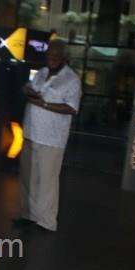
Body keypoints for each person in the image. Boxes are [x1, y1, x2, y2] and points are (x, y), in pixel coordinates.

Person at [18, 39, 82, 232]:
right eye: (49, 54)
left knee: (47, 181)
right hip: (31, 133)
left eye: (56, 55)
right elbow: (32, 89)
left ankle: (46, 222)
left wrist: (43, 104)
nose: (52, 58)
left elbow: (71, 108)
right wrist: (28, 90)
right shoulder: (42, 72)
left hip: (51, 139)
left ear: (64, 57)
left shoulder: (71, 79)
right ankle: (28, 215)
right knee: (28, 177)